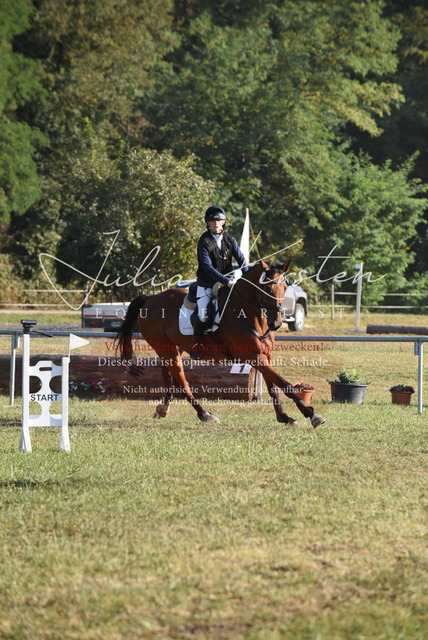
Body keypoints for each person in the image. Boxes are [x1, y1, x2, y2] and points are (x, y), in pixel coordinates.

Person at [190, 205, 248, 359]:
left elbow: (241, 259)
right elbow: (207, 267)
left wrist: (247, 275)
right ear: (208, 223)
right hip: (207, 284)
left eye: (219, 221)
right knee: (203, 314)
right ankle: (197, 345)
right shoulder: (204, 241)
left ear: (223, 222)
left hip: (227, 283)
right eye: (212, 221)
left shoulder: (230, 238)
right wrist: (226, 281)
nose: (216, 223)